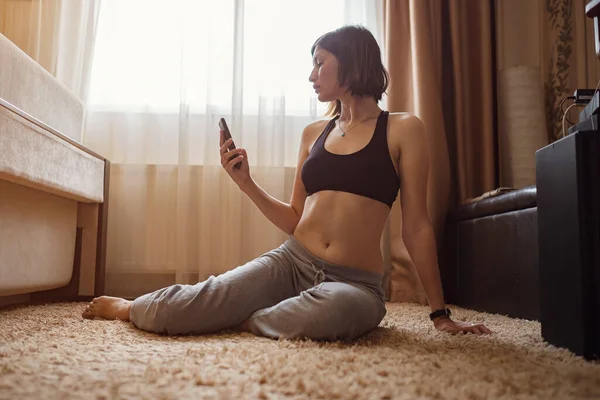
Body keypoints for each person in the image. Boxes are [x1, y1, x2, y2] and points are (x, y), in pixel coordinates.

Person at [82, 25, 492, 340]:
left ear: (351, 63)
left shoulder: (404, 129)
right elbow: (296, 217)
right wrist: (246, 183)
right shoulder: (313, 133)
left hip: (354, 284)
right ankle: (131, 307)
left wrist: (440, 315)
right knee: (199, 299)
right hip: (291, 262)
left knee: (342, 312)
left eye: (320, 62)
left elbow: (416, 225)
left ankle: (243, 319)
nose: (311, 74)